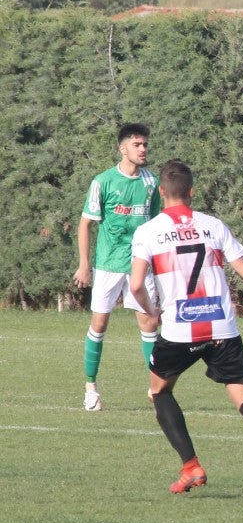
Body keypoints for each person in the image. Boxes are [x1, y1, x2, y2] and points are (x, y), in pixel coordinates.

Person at [129, 159, 243, 503]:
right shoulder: (213, 226)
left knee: (160, 393)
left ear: (161, 193)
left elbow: (134, 285)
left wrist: (151, 310)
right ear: (191, 192)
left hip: (179, 330)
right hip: (222, 327)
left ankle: (191, 466)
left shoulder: (148, 232)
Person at [74, 123, 161, 411]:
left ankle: (156, 389)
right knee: (99, 323)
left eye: (145, 144)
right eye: (137, 144)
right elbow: (86, 223)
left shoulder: (151, 183)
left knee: (149, 323)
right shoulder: (103, 181)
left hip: (141, 264)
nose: (143, 149)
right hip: (109, 264)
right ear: (123, 148)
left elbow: (158, 224)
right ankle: (91, 387)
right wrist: (84, 265)